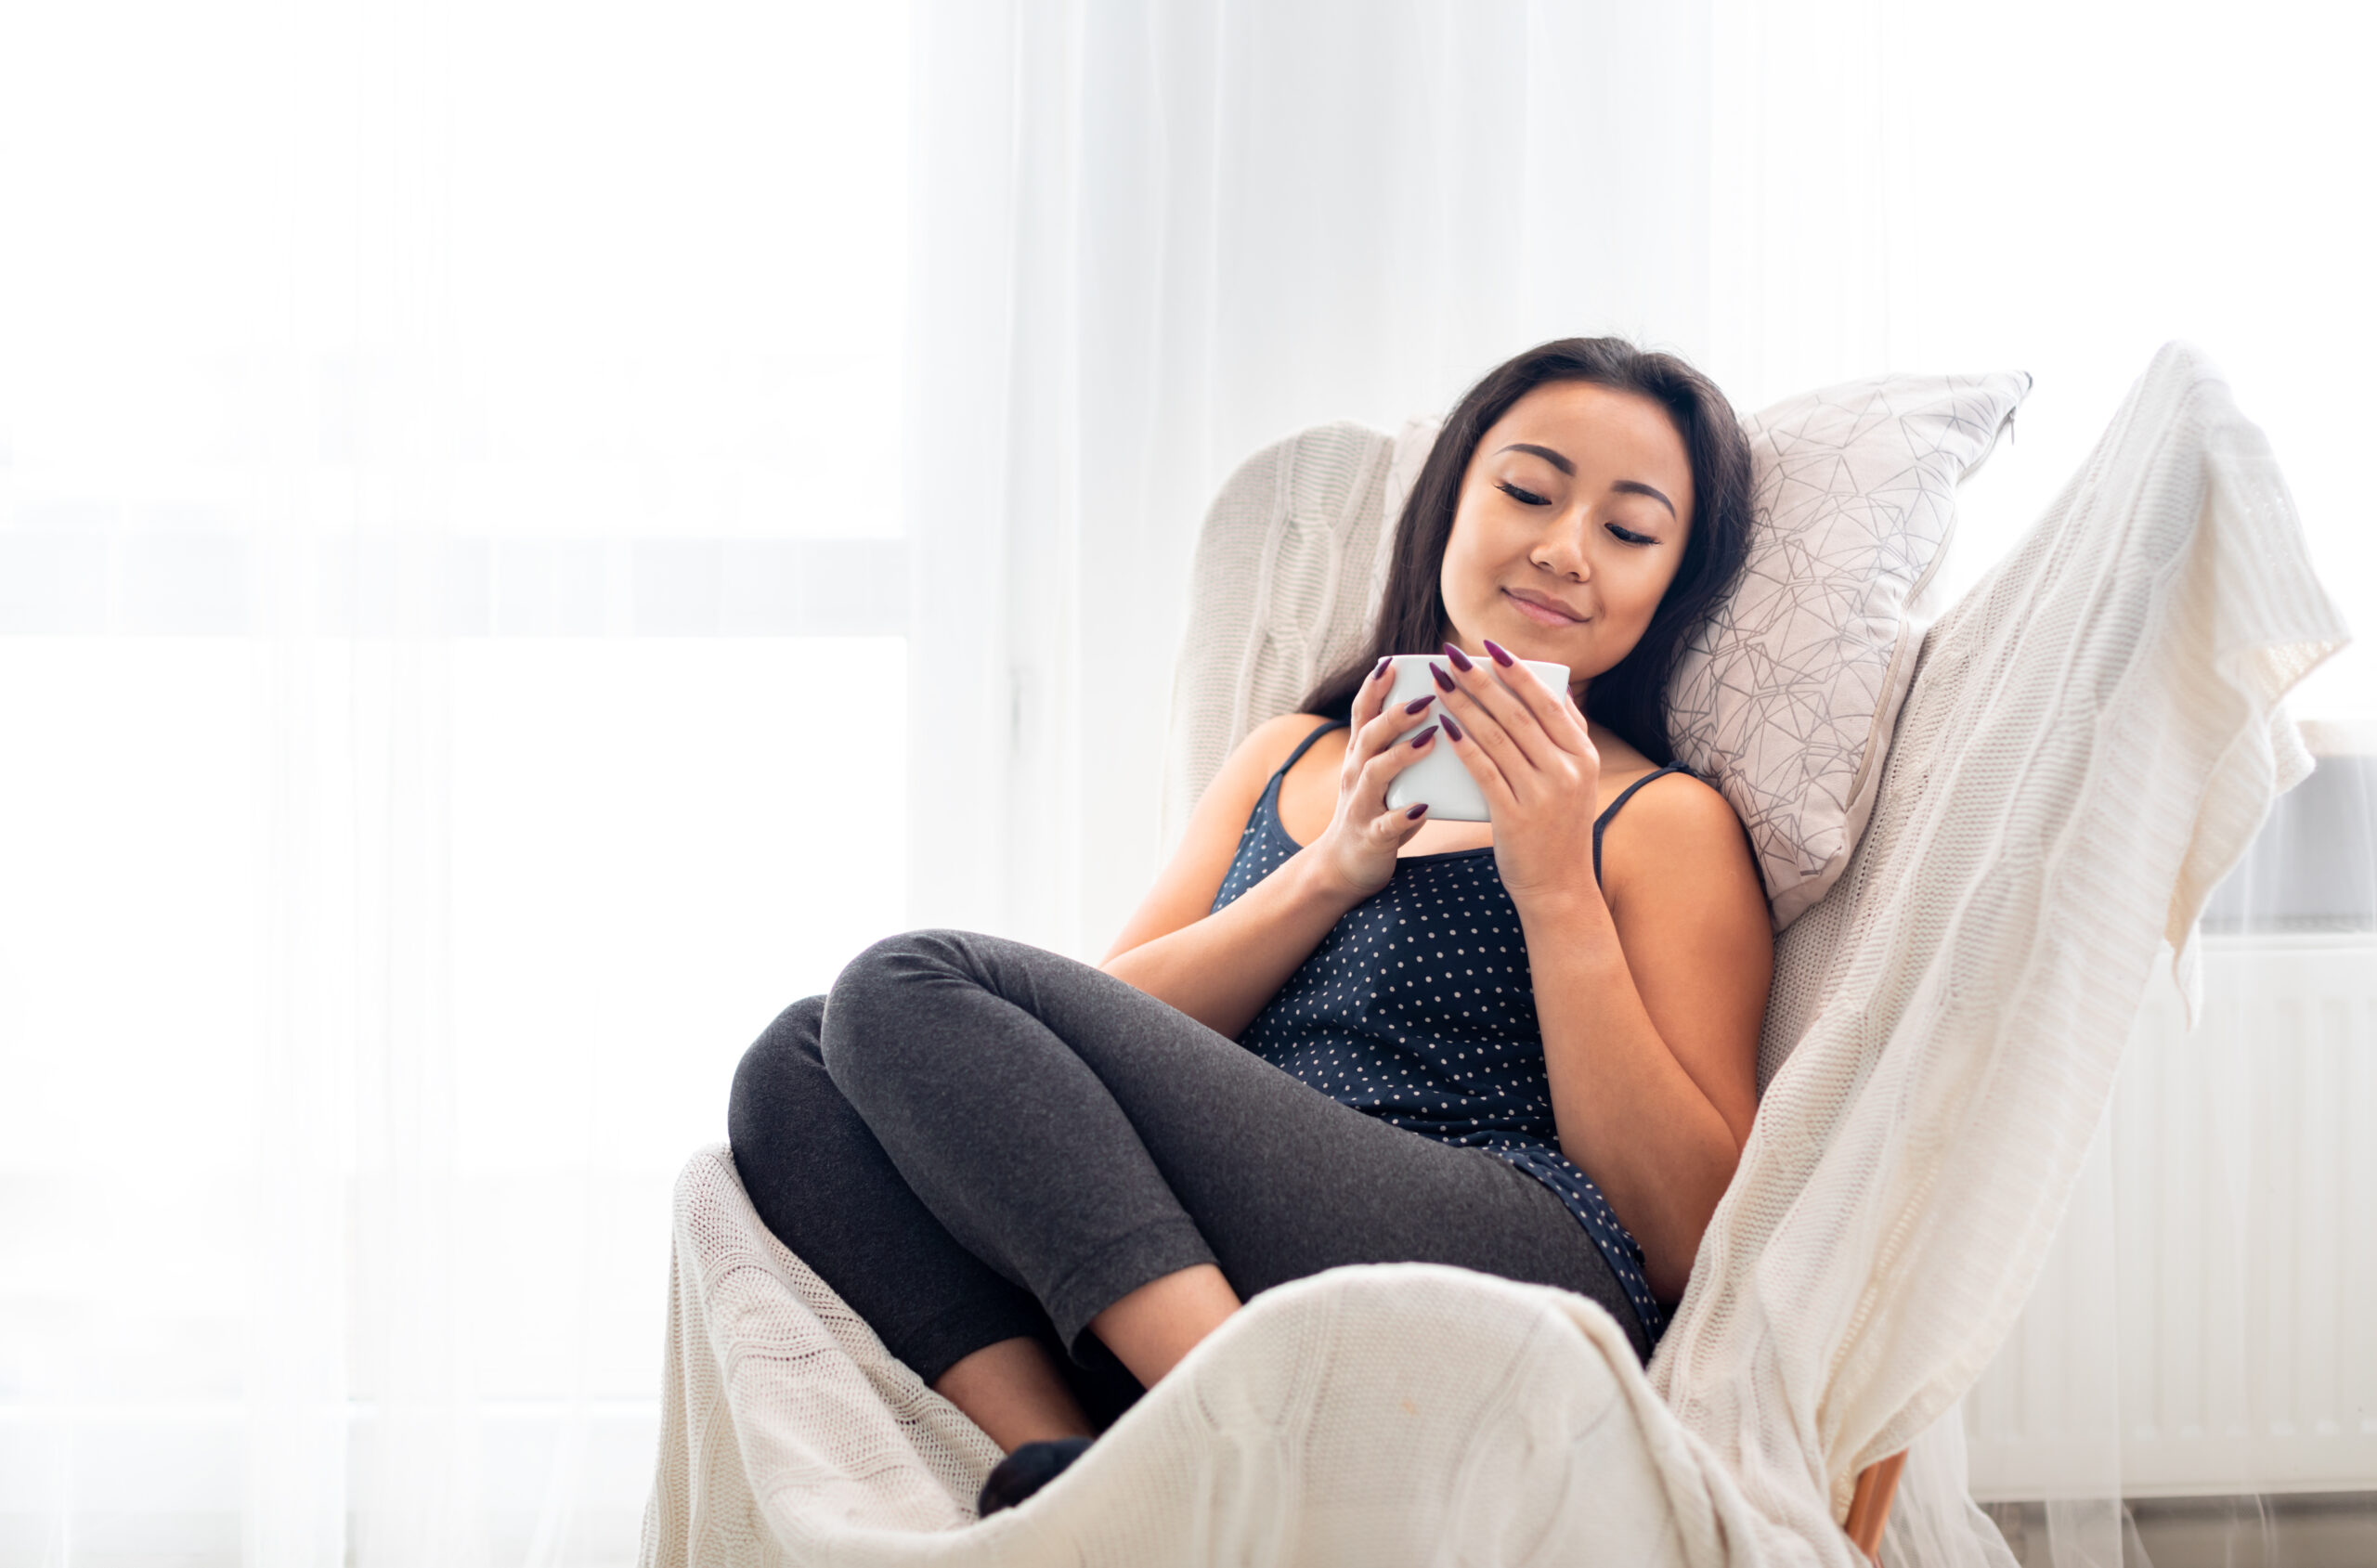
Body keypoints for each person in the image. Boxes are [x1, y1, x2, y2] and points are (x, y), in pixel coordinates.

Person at [726, 336, 1773, 1513]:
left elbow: (1681, 1233)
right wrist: (1325, 872)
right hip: (1218, 1257)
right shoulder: (1288, 755)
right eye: (1527, 492)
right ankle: (1086, 1475)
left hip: (1493, 1248)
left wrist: (1554, 886)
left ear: (1668, 586)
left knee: (904, 981)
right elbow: (1067, 1055)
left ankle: (1246, 1445)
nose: (1563, 549)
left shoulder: (1660, 819)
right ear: (1449, 510)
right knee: (800, 1060)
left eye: (1628, 533)